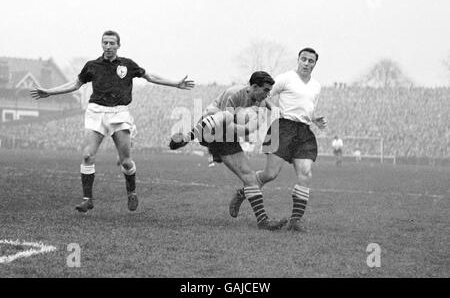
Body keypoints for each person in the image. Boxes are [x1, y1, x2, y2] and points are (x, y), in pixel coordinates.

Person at [30, 30, 195, 213]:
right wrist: (50, 92)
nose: (108, 46)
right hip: (96, 111)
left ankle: (131, 191)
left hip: (119, 113)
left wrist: (175, 83)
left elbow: (151, 77)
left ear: (118, 45)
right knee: (87, 156)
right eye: (105, 43)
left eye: (111, 43)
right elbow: (75, 84)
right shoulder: (92, 66)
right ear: (101, 44)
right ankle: (88, 199)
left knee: (125, 162)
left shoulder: (127, 65)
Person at [169, 71, 287, 231]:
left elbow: (262, 106)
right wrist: (247, 128)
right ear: (253, 86)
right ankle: (191, 137)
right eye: (265, 90)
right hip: (211, 129)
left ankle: (258, 215)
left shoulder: (258, 98)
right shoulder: (234, 94)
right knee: (226, 118)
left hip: (226, 134)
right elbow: (227, 124)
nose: (267, 94)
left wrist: (273, 109)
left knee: (249, 177)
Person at [229, 48, 327, 232]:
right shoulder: (286, 78)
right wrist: (273, 108)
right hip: (283, 128)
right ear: (298, 60)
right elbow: (264, 95)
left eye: (310, 61)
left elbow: (307, 108)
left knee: (306, 173)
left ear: (315, 64)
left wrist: (314, 118)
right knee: (270, 174)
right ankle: (243, 192)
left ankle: (295, 221)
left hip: (304, 132)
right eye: (303, 59)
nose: (306, 63)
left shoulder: (316, 86)